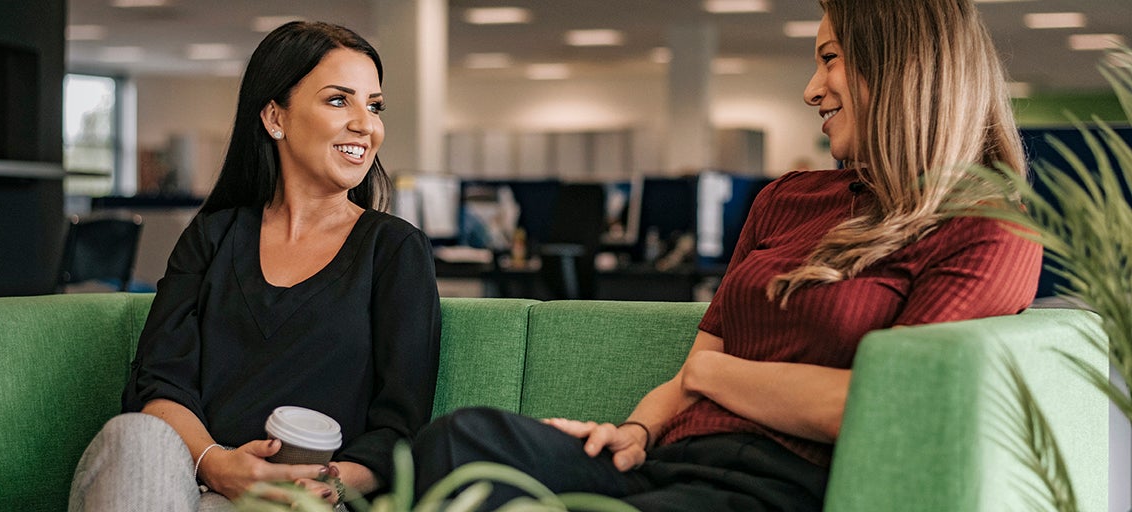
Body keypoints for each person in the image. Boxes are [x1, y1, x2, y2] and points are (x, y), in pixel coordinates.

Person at [411, 0, 1041, 510]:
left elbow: (878, 405)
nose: (811, 90)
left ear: (902, 64)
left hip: (777, 484)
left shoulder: (984, 227)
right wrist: (634, 432)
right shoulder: (786, 199)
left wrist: (713, 377)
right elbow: (694, 366)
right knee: (460, 441)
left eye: (829, 59)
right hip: (671, 459)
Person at [69, 21, 441, 511]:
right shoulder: (211, 236)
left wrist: (324, 485)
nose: (365, 124)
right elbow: (159, 385)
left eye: (374, 106)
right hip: (183, 479)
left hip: (303, 498)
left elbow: (400, 426)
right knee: (137, 435)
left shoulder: (394, 249)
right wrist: (218, 465)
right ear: (274, 117)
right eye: (338, 100)